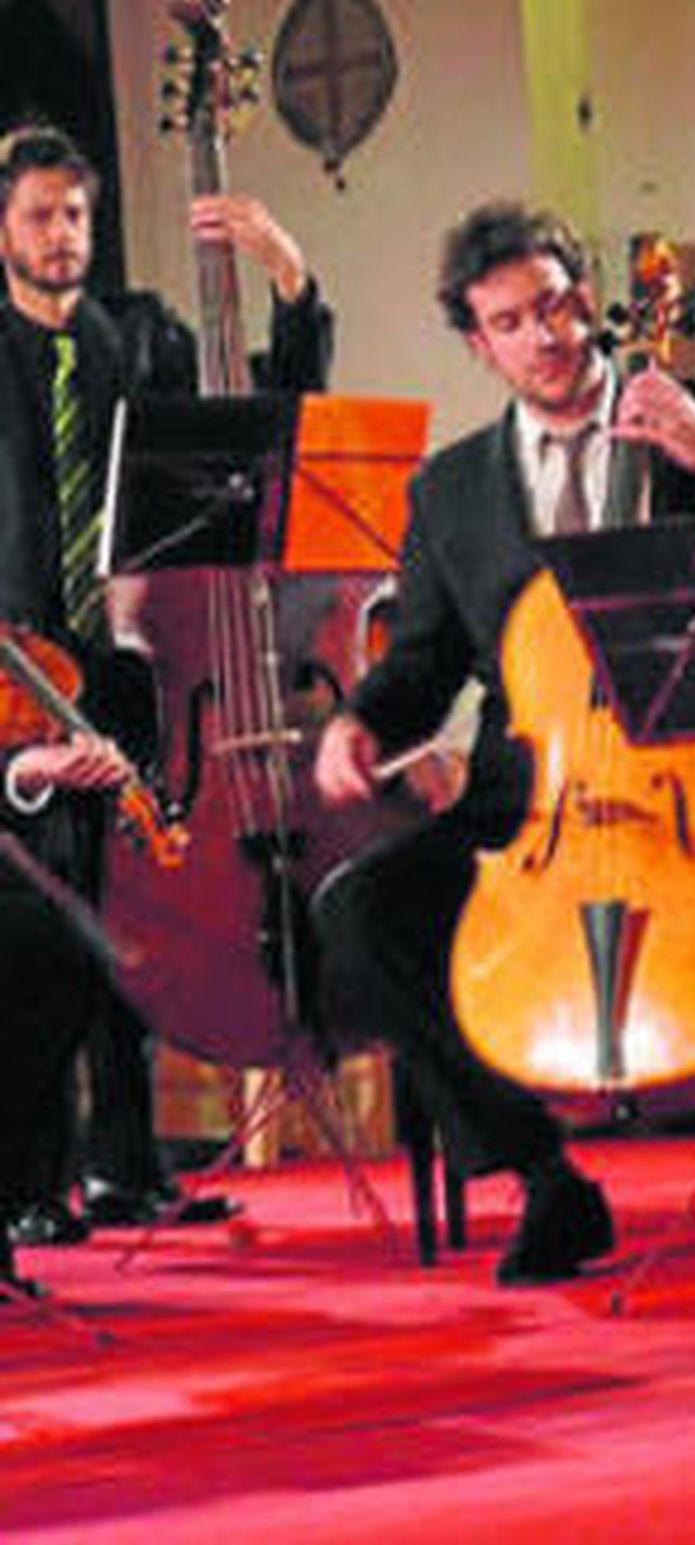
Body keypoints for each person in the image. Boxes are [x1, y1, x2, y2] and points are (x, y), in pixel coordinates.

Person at [310, 201, 695, 1287]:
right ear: (480, 343)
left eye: (557, 307)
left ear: (590, 303)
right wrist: (363, 719)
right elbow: (425, 657)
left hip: (689, 779)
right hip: (529, 799)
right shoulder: (451, 488)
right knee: (358, 914)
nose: (545, 338)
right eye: (512, 322)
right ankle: (542, 1174)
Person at [0, 119, 334, 1259]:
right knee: (49, 913)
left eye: (75, 214)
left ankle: (126, 1163)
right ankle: (31, 1180)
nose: (62, 234)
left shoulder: (138, 340)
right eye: (40, 215)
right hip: (17, 669)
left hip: (130, 661)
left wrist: (288, 280)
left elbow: (264, 426)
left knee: (129, 896)